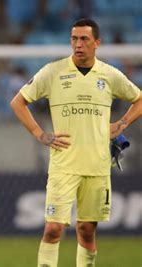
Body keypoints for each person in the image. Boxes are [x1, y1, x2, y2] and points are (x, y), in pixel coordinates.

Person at [10, 18, 141, 267]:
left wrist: (122, 124)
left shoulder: (110, 75)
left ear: (97, 43)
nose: (78, 44)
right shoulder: (53, 72)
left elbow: (139, 99)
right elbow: (18, 102)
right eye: (74, 39)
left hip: (97, 166)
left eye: (84, 39)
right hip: (63, 165)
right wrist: (40, 134)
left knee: (87, 230)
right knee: (53, 229)